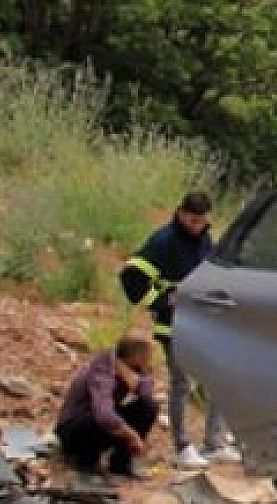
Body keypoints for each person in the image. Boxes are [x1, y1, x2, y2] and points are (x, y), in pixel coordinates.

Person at [119, 192, 238, 469]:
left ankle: (214, 443)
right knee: (181, 383)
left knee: (218, 378)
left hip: (205, 323)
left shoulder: (206, 239)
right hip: (173, 326)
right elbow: (131, 276)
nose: (197, 226)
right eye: (193, 220)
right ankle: (182, 447)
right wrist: (160, 302)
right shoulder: (164, 241)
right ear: (181, 214)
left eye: (202, 221)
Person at [55, 334, 158, 479]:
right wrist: (131, 435)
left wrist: (126, 374)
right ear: (137, 355)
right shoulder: (101, 370)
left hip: (98, 422)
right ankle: (85, 461)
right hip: (74, 428)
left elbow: (146, 391)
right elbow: (104, 414)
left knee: (148, 407)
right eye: (148, 355)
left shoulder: (133, 367)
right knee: (99, 418)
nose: (150, 359)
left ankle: (120, 464)